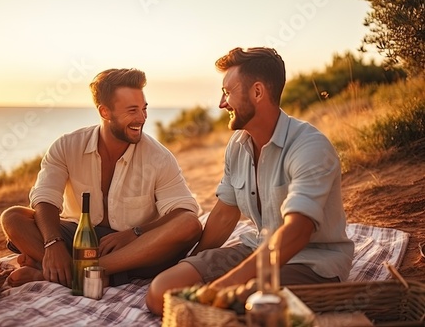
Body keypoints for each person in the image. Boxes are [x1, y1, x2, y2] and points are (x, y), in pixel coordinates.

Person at [146, 47, 355, 315]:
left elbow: (298, 232)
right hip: (255, 250)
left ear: (257, 92)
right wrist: (196, 263)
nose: (222, 103)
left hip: (312, 262)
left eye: (227, 92)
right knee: (160, 293)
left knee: (248, 306)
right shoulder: (237, 144)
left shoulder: (310, 147)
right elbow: (224, 213)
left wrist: (223, 286)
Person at [0, 68, 202, 288]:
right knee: (13, 218)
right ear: (105, 112)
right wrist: (52, 243)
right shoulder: (67, 146)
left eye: (144, 109)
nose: (142, 118)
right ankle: (76, 271)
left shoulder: (159, 157)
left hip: (132, 248)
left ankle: (71, 272)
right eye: (132, 110)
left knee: (190, 225)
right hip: (76, 237)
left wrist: (135, 233)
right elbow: (45, 197)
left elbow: (183, 212)